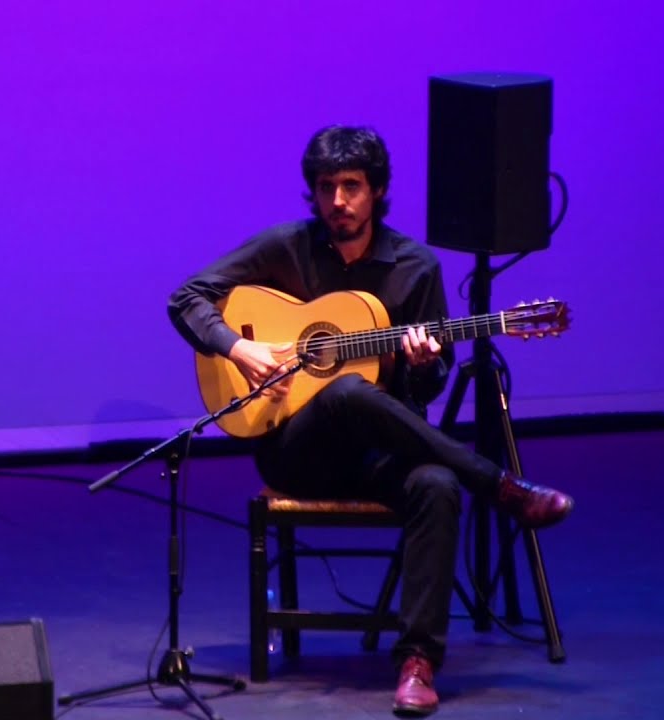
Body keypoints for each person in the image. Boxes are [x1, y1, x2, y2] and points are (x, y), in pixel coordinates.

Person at [167, 126, 573, 716]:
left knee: (435, 485)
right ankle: (501, 486)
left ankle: (417, 662)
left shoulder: (416, 268)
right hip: (295, 451)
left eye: (352, 187)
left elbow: (426, 391)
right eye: (326, 187)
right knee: (344, 391)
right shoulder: (285, 249)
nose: (338, 201)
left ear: (377, 191)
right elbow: (186, 298)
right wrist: (237, 348)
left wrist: (421, 365)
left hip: (379, 457)